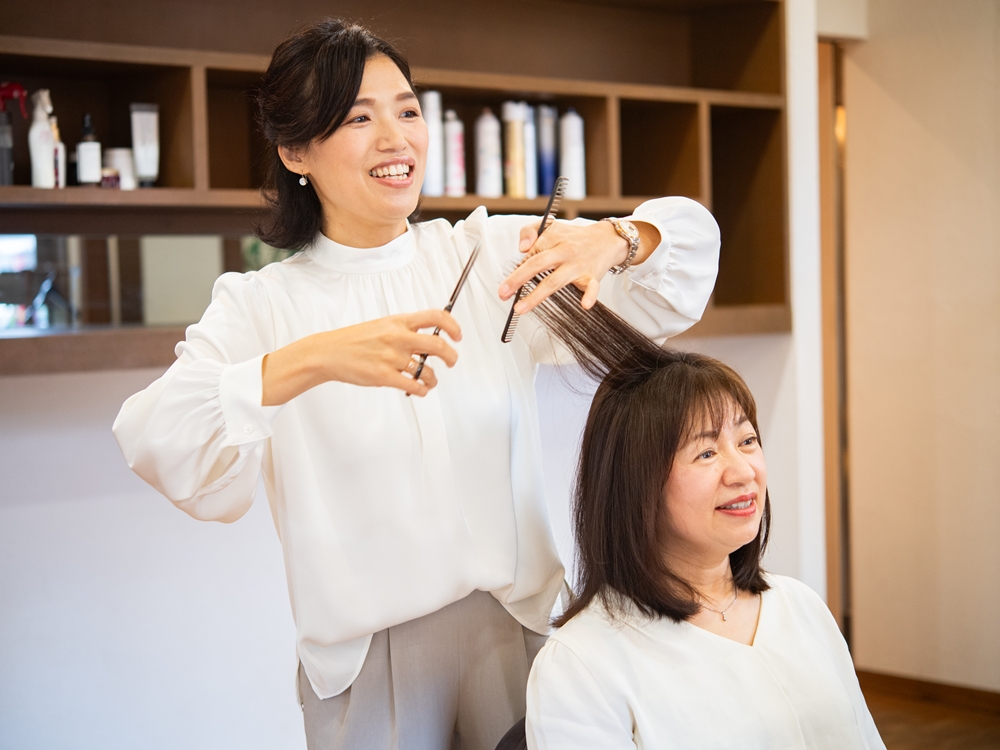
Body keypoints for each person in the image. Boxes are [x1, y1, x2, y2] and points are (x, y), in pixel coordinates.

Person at [112, 18, 720, 750]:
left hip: (518, 632)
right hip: (368, 665)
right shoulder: (261, 305)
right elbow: (155, 437)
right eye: (358, 118)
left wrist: (616, 238)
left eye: (406, 110)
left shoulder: (485, 251)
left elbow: (681, 272)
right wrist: (313, 358)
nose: (396, 139)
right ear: (296, 149)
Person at [520, 301, 885, 749]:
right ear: (636, 484)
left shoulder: (801, 608)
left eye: (747, 440)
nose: (743, 471)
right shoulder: (582, 664)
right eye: (706, 453)